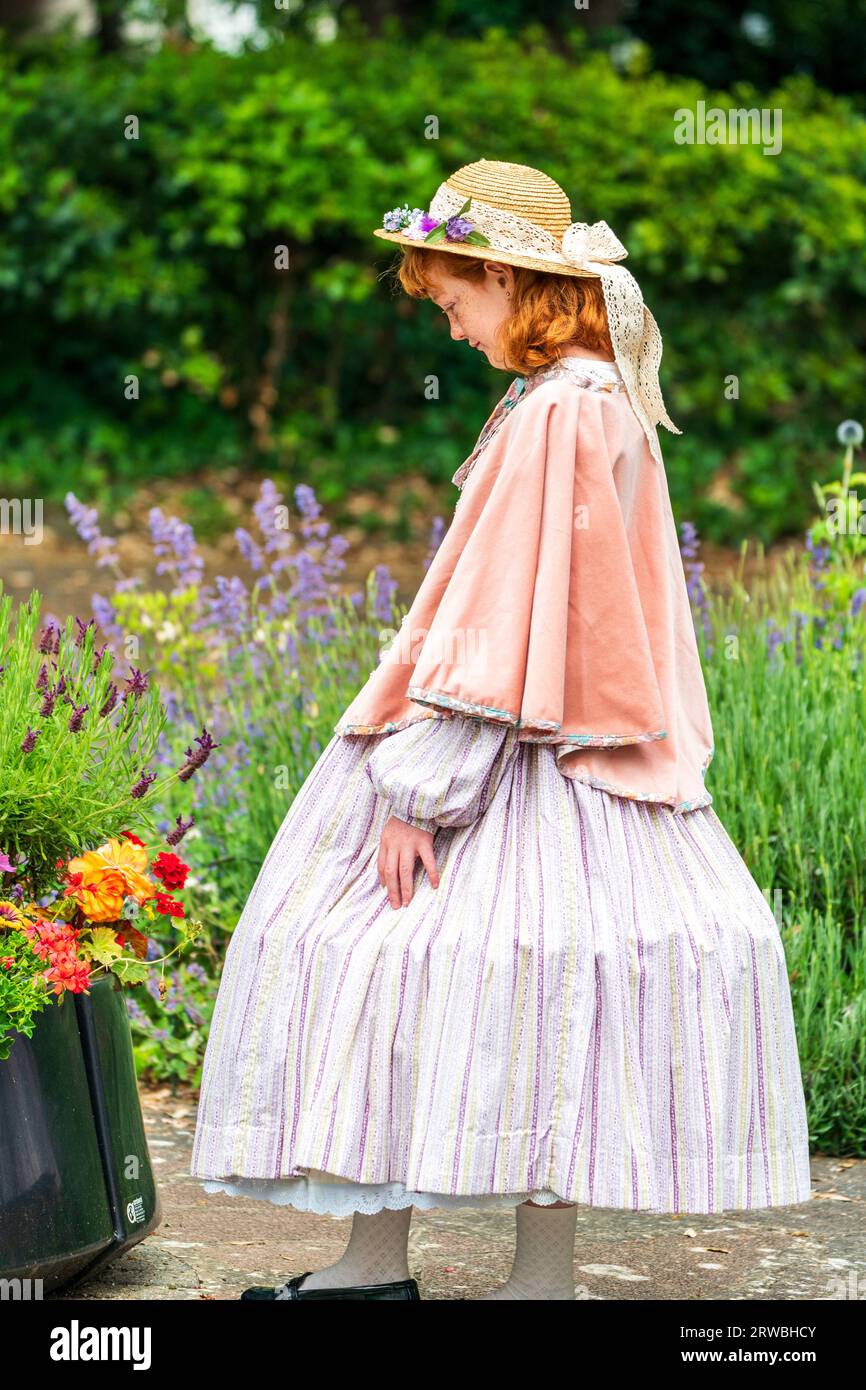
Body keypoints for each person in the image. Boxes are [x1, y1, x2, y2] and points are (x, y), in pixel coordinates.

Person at [189, 159, 812, 1301]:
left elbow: (508, 616)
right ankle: (431, 1272)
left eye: (454, 301)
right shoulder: (581, 398)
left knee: (421, 970)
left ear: (505, 277)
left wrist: (422, 788)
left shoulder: (563, 413)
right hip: (555, 746)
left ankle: (476, 1276)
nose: (452, 325)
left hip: (516, 753)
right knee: (511, 989)